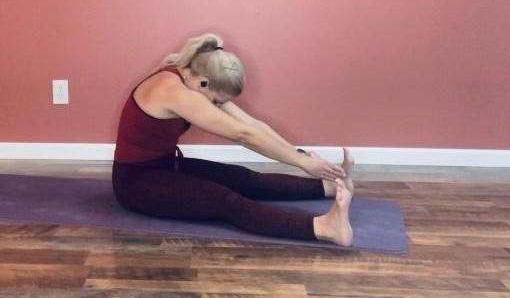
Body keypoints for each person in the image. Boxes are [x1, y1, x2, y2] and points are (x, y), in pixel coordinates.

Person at [112, 33, 356, 246]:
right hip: (136, 183)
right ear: (203, 82)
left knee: (244, 178)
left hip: (167, 166)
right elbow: (244, 135)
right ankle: (325, 228)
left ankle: (329, 187)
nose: (217, 106)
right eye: (217, 101)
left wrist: (301, 157)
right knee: (226, 201)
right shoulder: (176, 93)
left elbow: (252, 125)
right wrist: (301, 163)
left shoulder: (194, 78)